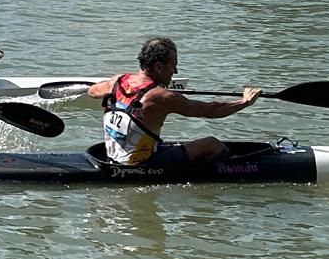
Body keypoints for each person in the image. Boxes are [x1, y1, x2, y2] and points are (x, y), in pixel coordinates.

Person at [86, 37, 260, 165]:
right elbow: (211, 111)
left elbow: (92, 91)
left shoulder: (118, 81)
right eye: (173, 65)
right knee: (211, 144)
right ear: (159, 67)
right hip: (142, 165)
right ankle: (237, 170)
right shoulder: (160, 97)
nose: (175, 71)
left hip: (112, 158)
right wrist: (244, 102)